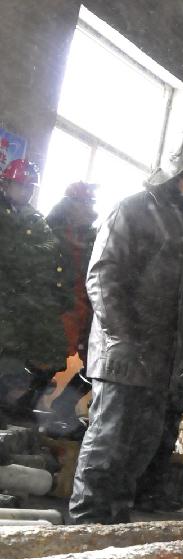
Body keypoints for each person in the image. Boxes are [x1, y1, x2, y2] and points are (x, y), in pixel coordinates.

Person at [68, 132, 183, 524]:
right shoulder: (133, 210)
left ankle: (112, 528)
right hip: (124, 355)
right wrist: (122, 339)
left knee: (141, 451)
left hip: (162, 361)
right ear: (180, 171)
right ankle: (85, 527)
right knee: (109, 445)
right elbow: (103, 277)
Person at [0, 159, 70, 420]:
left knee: (16, 364)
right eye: (21, 185)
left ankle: (10, 415)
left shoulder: (34, 218)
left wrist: (21, 255)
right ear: (6, 183)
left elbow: (52, 250)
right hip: (6, 297)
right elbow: (6, 251)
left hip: (22, 303)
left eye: (30, 187)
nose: (26, 191)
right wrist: (25, 255)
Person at [44, 182, 99, 435]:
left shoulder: (93, 238)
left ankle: (62, 408)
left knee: (93, 366)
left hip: (84, 308)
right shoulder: (50, 231)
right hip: (56, 307)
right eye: (86, 203)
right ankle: (37, 406)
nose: (90, 209)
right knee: (46, 358)